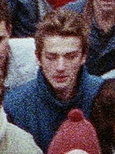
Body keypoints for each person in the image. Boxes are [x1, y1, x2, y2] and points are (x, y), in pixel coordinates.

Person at [7, 10, 103, 151]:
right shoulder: (15, 106)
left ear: (83, 56)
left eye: (70, 56)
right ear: (38, 57)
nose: (60, 67)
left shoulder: (103, 95)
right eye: (51, 57)